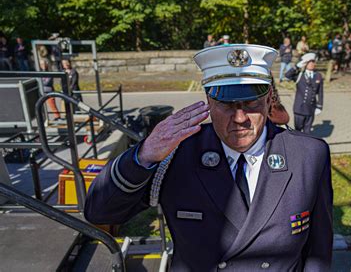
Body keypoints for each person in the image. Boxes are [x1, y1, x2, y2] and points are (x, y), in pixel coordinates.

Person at [85, 44, 333, 271]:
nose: (240, 118)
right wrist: (143, 156)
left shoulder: (308, 155)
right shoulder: (177, 154)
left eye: (250, 104)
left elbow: (318, 251)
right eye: (226, 105)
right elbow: (100, 213)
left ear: (269, 101)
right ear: (209, 103)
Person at [285, 53, 324, 134]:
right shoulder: (299, 75)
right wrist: (296, 66)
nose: (312, 64)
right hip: (300, 108)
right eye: (310, 62)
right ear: (305, 64)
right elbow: (287, 75)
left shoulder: (318, 76)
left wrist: (319, 106)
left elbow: (320, 92)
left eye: (313, 62)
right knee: (298, 130)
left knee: (307, 131)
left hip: (311, 108)